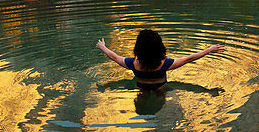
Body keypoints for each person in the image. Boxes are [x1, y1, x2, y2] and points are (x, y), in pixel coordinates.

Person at [96, 29, 225, 90]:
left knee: (143, 95)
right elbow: (189, 59)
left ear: (138, 48)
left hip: (140, 86)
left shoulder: (134, 64)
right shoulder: (165, 64)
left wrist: (103, 47)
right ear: (159, 47)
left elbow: (115, 57)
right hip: (161, 87)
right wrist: (208, 50)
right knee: (160, 97)